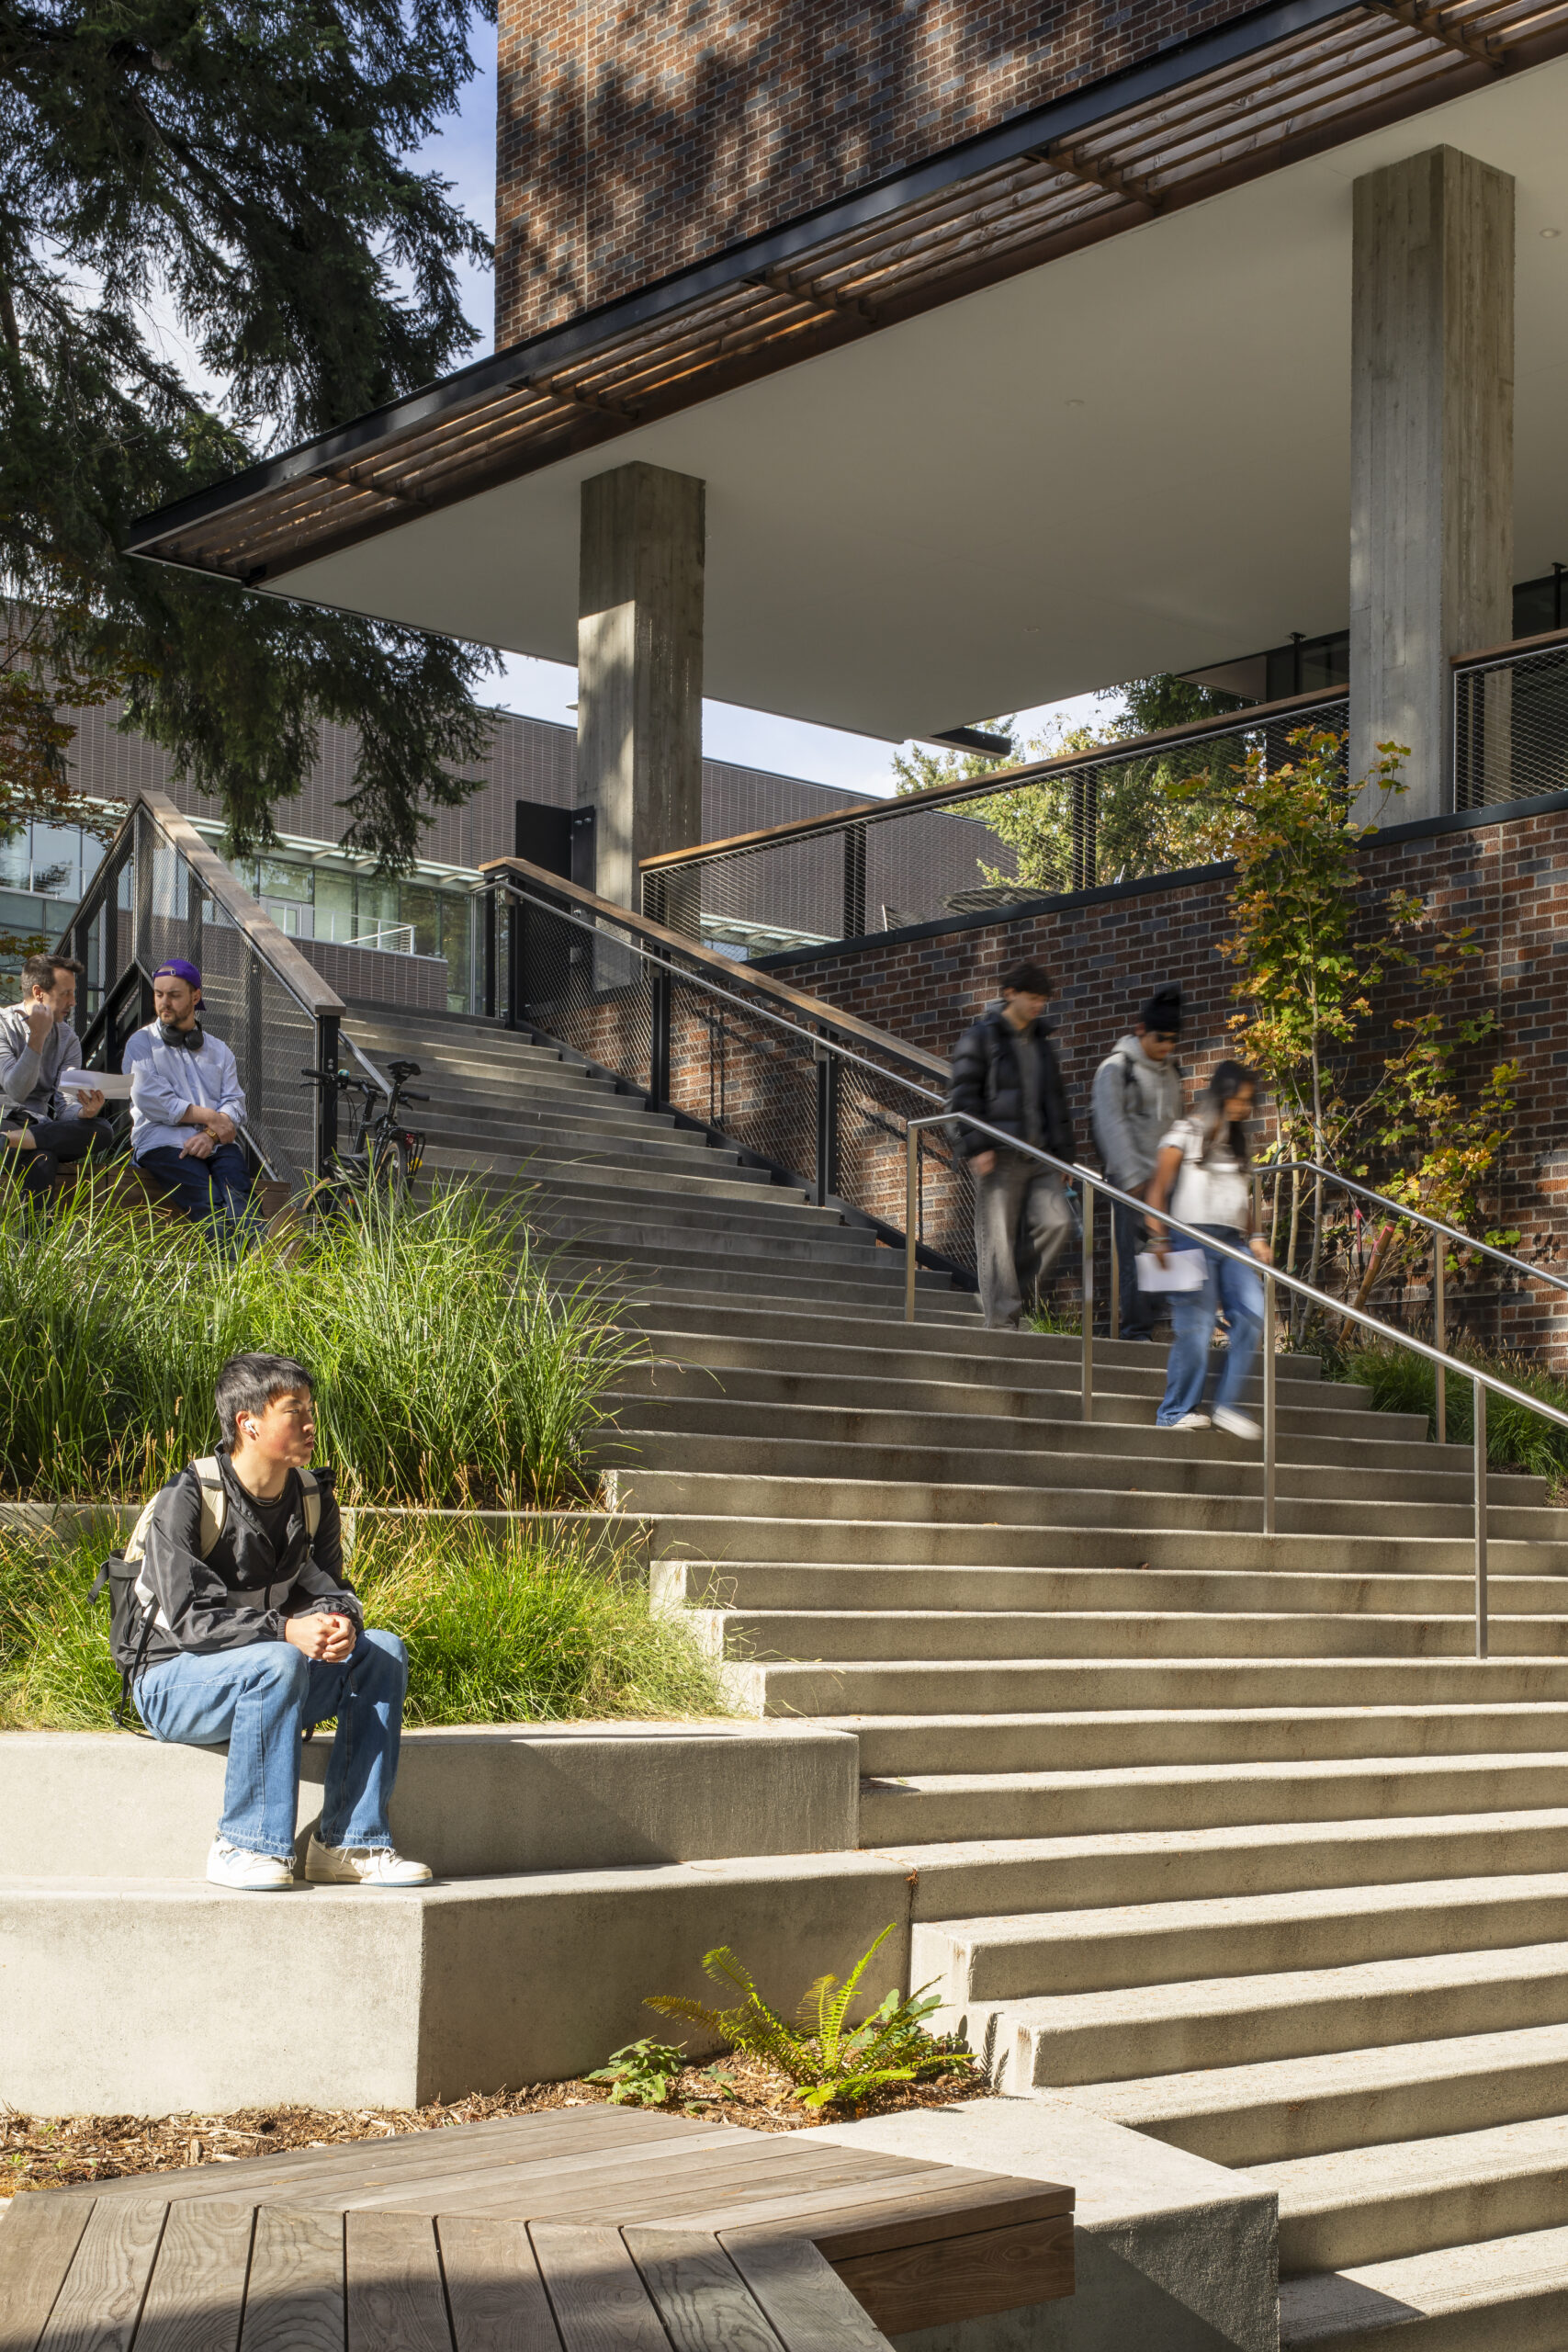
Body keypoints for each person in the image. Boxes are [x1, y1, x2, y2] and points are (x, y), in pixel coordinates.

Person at [117, 1352, 431, 1891]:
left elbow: (334, 1591)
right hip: (171, 1683)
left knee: (382, 1652)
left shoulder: (311, 1497)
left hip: (268, 1674)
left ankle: (348, 1842)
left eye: (311, 1409)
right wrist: (287, 1630)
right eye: (295, 1411)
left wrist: (338, 1625)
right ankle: (243, 1845)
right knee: (278, 1660)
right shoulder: (190, 1495)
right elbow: (190, 1621)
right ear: (249, 1422)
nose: (310, 1424)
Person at [1145, 1060, 1272, 1438]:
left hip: (1232, 1243)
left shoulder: (1238, 1146)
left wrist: (1257, 1237)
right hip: (1188, 1236)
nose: (1243, 1108)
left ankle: (1228, 1405)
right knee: (1196, 1328)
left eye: (1248, 1101)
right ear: (1221, 1094)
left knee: (1251, 1316)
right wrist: (1158, 1237)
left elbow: (1243, 1202)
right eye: (1238, 1099)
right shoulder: (1185, 1132)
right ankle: (1174, 1411)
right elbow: (1156, 1190)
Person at [949, 959, 1077, 1330]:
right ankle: (1002, 1322)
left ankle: (1012, 1293)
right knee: (997, 1241)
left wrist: (1064, 1158)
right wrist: (977, 1146)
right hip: (998, 1154)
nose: (1039, 1005)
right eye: (1033, 998)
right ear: (1010, 994)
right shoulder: (981, 1037)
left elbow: (1056, 1102)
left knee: (1058, 1223)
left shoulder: (1041, 1043)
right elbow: (963, 1095)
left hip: (1038, 1157)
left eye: (1043, 999)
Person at [122, 958, 254, 1234]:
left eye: (174, 995)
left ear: (196, 996)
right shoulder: (141, 1043)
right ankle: (238, 1271)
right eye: (159, 994)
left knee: (242, 1205)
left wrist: (211, 1134)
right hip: (164, 1144)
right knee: (209, 1203)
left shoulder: (220, 1050)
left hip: (216, 1145)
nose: (164, 1002)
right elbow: (154, 1101)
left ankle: (258, 1269)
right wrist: (213, 1118)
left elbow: (235, 1103)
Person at [1090, 985, 1186, 1340]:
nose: (1167, 1046)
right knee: (1135, 1260)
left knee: (1168, 1253)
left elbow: (1178, 1125)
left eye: (1173, 1040)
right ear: (1142, 1030)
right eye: (1161, 1038)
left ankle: (1168, 1327)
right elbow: (1110, 1123)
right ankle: (1135, 1332)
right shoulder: (1116, 1068)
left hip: (1165, 1181)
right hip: (1131, 1181)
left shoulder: (1172, 1072)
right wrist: (1132, 1178)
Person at [0, 952, 115, 1196]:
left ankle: (9, 1141)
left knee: (103, 1129)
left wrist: (84, 1112)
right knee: (44, 1158)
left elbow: (65, 1104)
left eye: (73, 993)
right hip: (4, 1117)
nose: (73, 1001)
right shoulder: (2, 1025)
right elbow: (16, 1090)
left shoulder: (68, 1039)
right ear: (39, 993)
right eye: (66, 993)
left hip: (36, 1126)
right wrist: (37, 1038)